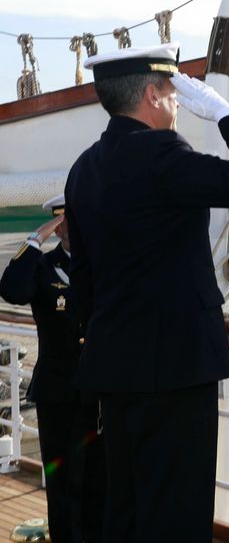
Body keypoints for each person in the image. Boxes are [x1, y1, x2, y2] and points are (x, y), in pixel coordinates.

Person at [64, 43, 229, 542]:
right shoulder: (162, 154)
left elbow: (86, 282)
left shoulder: (85, 168)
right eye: (174, 91)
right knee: (177, 513)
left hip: (116, 367)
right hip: (176, 369)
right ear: (152, 94)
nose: (182, 101)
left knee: (128, 506)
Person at [0, 194, 105, 543]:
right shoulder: (43, 268)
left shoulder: (104, 264)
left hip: (99, 394)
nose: (72, 228)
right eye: (65, 222)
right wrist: (35, 240)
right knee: (61, 483)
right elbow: (11, 289)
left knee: (97, 480)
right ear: (58, 226)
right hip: (57, 394)